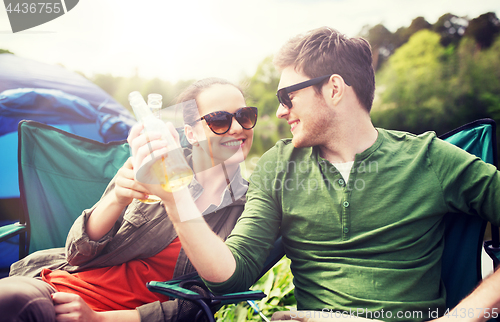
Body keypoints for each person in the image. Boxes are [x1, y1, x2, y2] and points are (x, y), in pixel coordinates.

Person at [136, 27, 500, 322]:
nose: (280, 113)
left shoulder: (429, 158)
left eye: (287, 97)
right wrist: (176, 197)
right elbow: (231, 274)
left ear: (335, 89)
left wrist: (463, 316)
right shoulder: (278, 165)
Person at [0, 77, 257, 322]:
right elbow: (76, 254)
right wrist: (117, 197)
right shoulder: (152, 166)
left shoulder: (251, 211)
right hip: (58, 289)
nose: (237, 128)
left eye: (245, 116)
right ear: (190, 134)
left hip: (109, 316)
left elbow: (201, 303)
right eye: (219, 120)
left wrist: (98, 318)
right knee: (10, 300)